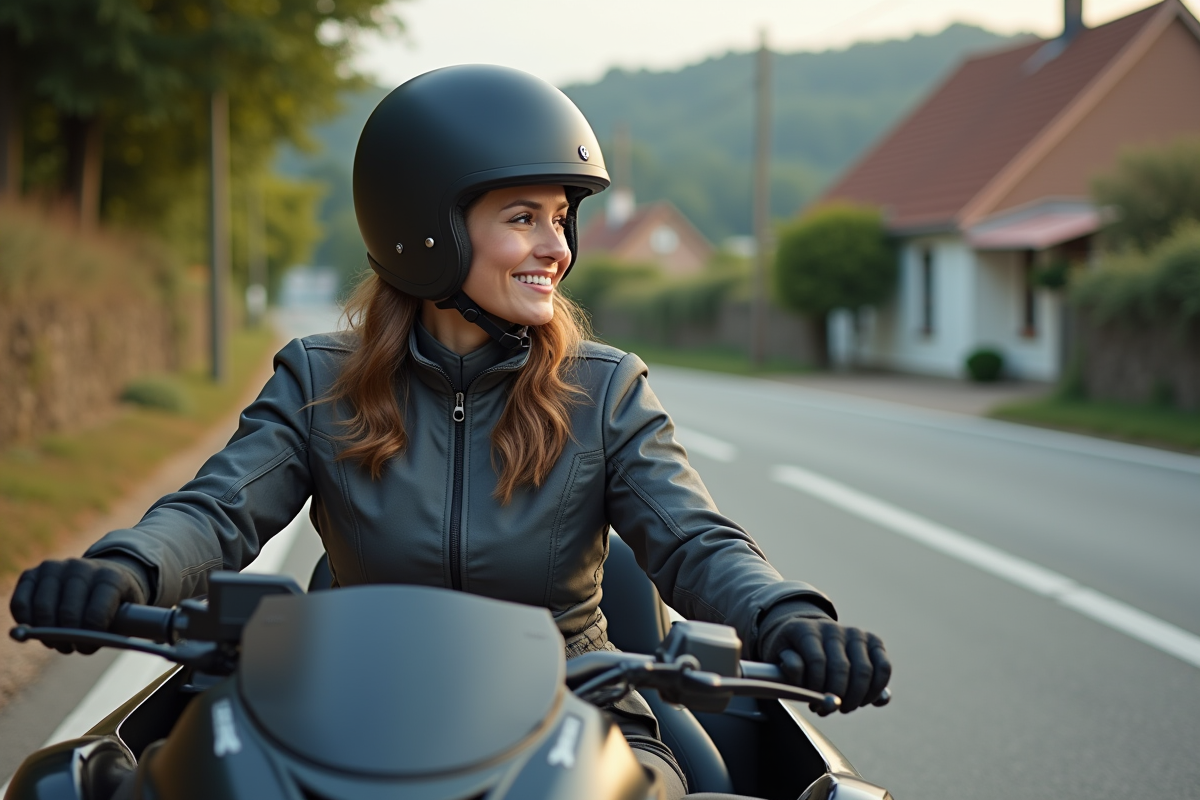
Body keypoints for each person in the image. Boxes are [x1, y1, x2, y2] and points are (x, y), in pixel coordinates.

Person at [10, 65, 890, 799]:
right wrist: (119, 569)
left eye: (561, 217)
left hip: (578, 715)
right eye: (522, 216)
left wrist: (787, 616)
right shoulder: (320, 379)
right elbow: (214, 512)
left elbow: (696, 541)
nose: (557, 247)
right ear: (423, 228)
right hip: (342, 704)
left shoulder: (606, 389)